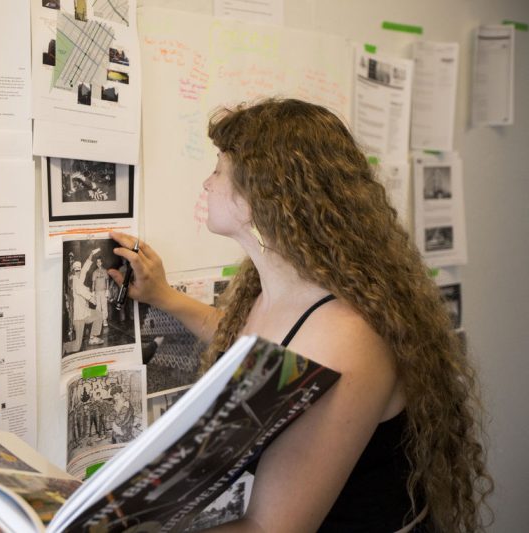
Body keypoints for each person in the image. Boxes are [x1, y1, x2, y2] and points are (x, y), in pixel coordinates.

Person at [104, 99, 493, 532]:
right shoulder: (280, 289)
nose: (207, 183)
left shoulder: (343, 336)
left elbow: (272, 528)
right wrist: (164, 296)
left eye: (218, 169)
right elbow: (253, 348)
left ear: (259, 195)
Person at [63, 249, 104, 354]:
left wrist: (91, 254)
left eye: (79, 270)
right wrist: (91, 298)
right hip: (79, 317)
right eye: (76, 270)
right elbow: (80, 290)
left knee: (99, 314)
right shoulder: (74, 280)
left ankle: (93, 337)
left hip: (85, 313)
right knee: (77, 346)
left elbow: (85, 268)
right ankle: (63, 347)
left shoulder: (79, 277)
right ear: (73, 271)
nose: (78, 272)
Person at [91, 257, 111, 328]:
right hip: (97, 292)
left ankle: (104, 320)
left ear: (101, 262)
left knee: (104, 306)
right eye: (97, 262)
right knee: (98, 307)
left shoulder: (105, 271)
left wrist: (107, 290)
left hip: (103, 291)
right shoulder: (94, 272)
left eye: (99, 262)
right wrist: (92, 292)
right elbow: (93, 283)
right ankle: (98, 320)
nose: (98, 263)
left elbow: (107, 281)